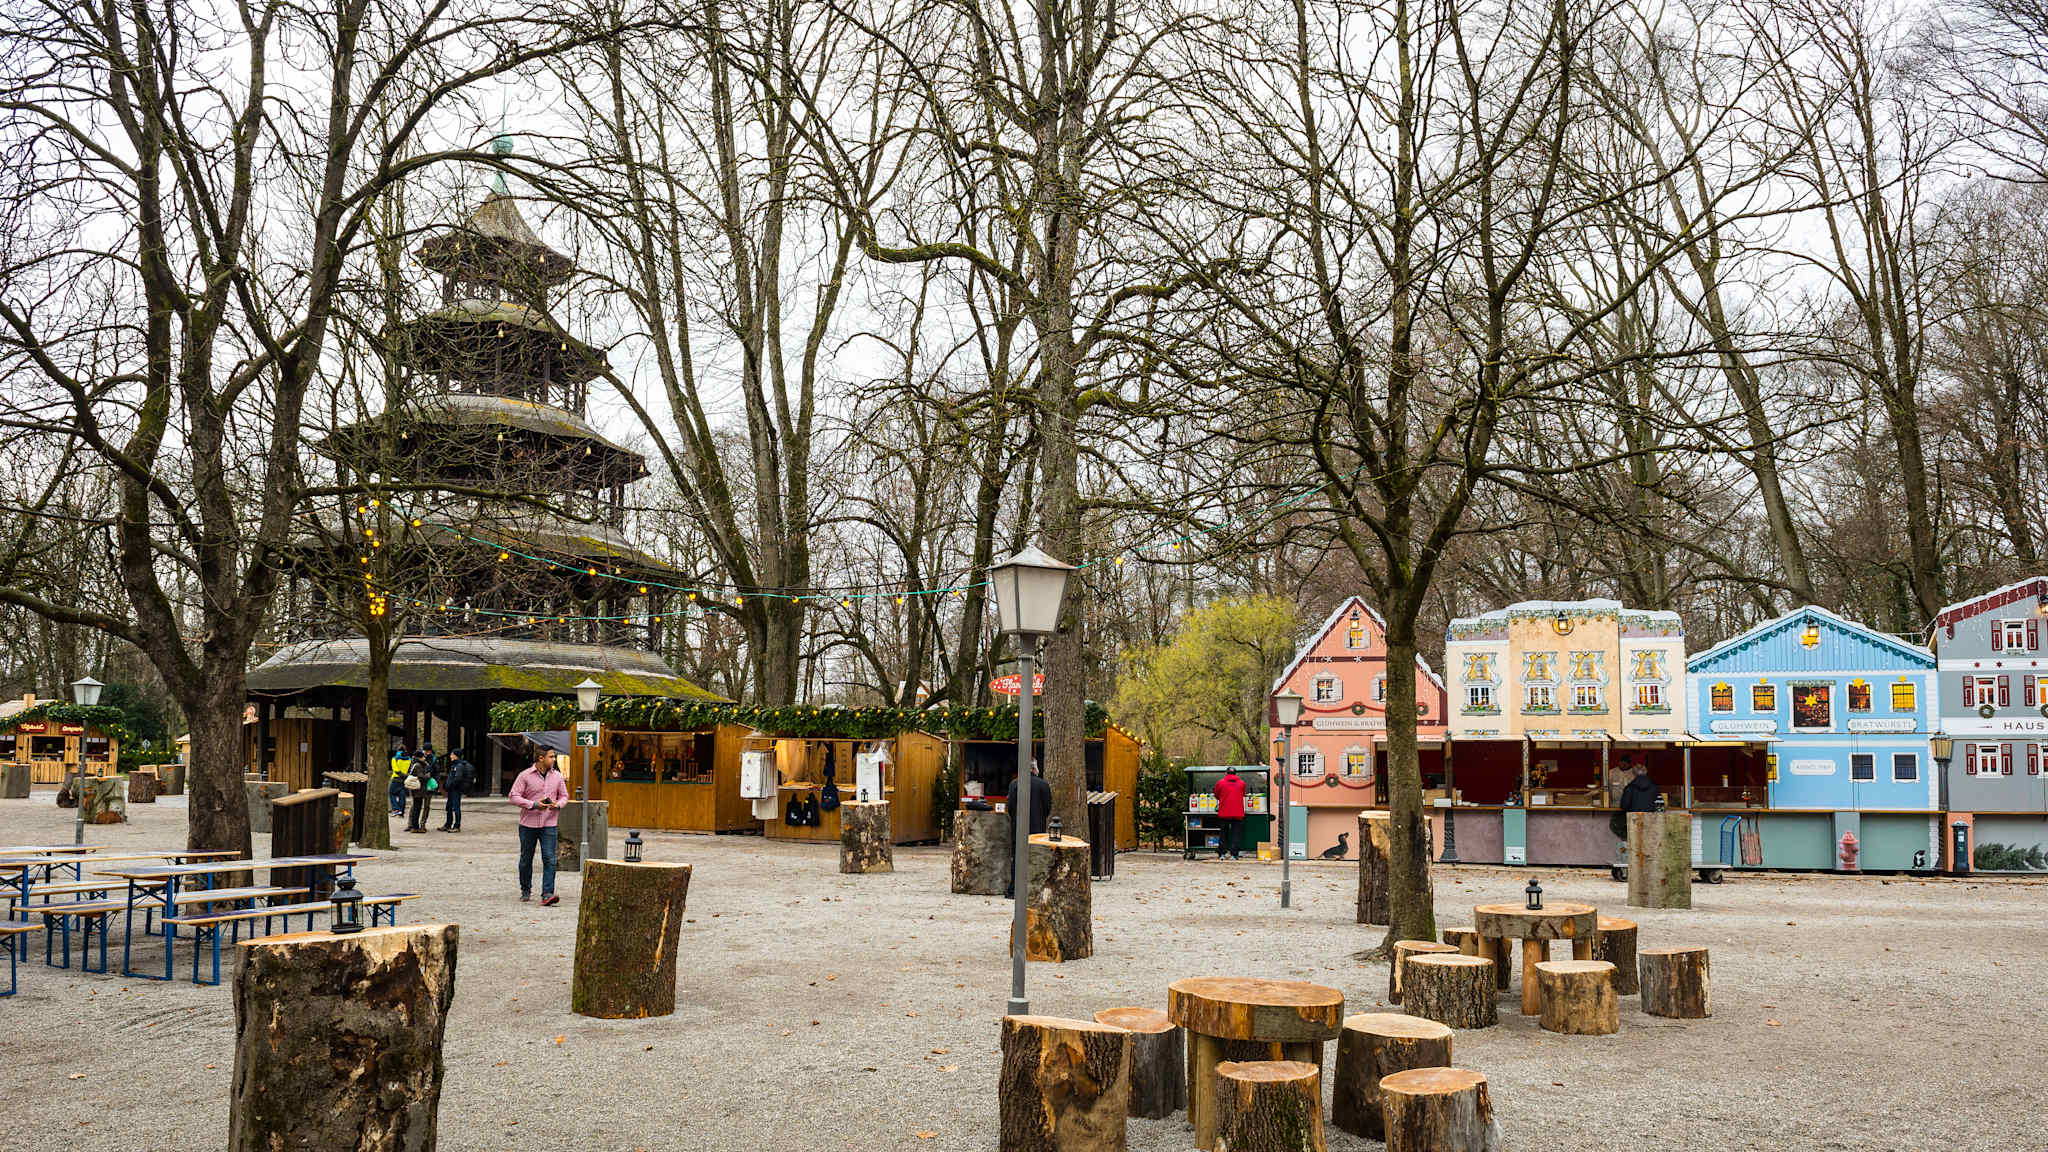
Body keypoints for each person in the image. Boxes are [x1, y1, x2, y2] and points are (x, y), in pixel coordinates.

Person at [509, 747, 569, 905]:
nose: (554, 759)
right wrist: (533, 804)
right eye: (551, 757)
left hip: (550, 824)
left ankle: (547, 894)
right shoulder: (525, 776)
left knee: (549, 859)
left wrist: (558, 804)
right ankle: (525, 889)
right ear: (541, 758)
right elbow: (513, 796)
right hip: (528, 824)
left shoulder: (557, 776)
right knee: (526, 859)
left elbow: (564, 796)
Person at [1003, 759, 1053, 898]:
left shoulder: (1014, 784)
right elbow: (1048, 806)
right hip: (1038, 827)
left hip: (1018, 827)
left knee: (1017, 857)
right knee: (1036, 857)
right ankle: (1034, 889)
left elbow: (1010, 806)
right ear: (1035, 769)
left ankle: (1014, 889)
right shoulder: (1044, 785)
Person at [1213, 766, 1248, 860]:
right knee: (1236, 834)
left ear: (1226, 773)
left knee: (1223, 833)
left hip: (1224, 812)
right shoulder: (1242, 783)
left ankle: (1222, 854)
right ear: (1236, 774)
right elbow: (1243, 794)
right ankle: (1234, 855)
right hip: (1238, 813)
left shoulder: (1220, 782)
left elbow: (1216, 794)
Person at [406, 745, 439, 834]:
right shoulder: (418, 764)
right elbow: (421, 776)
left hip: (423, 788)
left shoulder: (432, 760)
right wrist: (427, 775)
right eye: (425, 751)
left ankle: (419, 825)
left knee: (422, 806)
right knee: (416, 807)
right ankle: (414, 826)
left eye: (428, 751)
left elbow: (436, 772)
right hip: (419, 789)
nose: (426, 754)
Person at [440, 748, 473, 832]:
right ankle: (448, 824)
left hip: (455, 790)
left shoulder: (459, 766)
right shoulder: (454, 765)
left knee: (456, 807)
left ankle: (456, 826)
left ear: (456, 756)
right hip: (451, 790)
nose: (450, 756)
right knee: (449, 807)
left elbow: (458, 778)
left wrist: (450, 785)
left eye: (452, 754)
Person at [388, 742, 411, 819]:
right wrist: (405, 776)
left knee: (391, 793)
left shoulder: (395, 758)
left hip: (396, 779)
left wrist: (401, 775)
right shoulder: (409, 759)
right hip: (404, 780)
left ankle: (396, 809)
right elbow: (409, 770)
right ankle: (401, 812)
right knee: (402, 795)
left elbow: (396, 770)